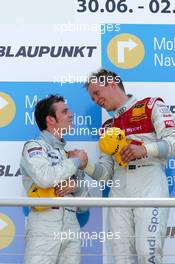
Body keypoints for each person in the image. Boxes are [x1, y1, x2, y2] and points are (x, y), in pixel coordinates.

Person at [84, 69, 175, 264]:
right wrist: (85, 166)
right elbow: (105, 174)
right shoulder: (108, 127)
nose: (95, 100)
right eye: (92, 98)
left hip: (149, 184)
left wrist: (145, 150)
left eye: (96, 93)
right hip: (118, 189)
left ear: (111, 84)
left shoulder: (150, 106)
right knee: (121, 257)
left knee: (147, 254)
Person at [20, 94, 89, 264]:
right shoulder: (35, 147)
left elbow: (84, 207)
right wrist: (77, 161)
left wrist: (76, 188)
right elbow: (45, 178)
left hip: (71, 228)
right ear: (50, 120)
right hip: (44, 228)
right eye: (65, 112)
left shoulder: (69, 155)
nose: (71, 115)